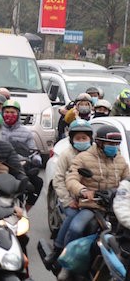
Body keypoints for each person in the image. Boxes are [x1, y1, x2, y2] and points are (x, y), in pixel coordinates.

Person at [61, 125, 130, 280]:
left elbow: (128, 179)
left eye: (116, 145)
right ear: (99, 142)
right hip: (92, 205)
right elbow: (71, 179)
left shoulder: (120, 160)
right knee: (76, 228)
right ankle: (67, 264)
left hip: (115, 207)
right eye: (110, 144)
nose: (113, 147)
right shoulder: (83, 158)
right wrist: (83, 191)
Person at [44, 119, 94, 265]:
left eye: (84, 138)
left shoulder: (97, 153)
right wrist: (68, 200)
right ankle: (59, 250)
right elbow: (58, 180)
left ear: (90, 138)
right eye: (78, 138)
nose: (81, 141)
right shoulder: (67, 155)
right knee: (72, 220)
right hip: (71, 199)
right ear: (72, 140)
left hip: (93, 200)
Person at [0, 99, 42, 209]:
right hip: (0, 166)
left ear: (18, 114)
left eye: (12, 112)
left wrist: (36, 159)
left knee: (37, 182)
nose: (9, 115)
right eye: (7, 112)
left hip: (20, 167)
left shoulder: (26, 132)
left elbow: (33, 150)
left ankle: (25, 211)